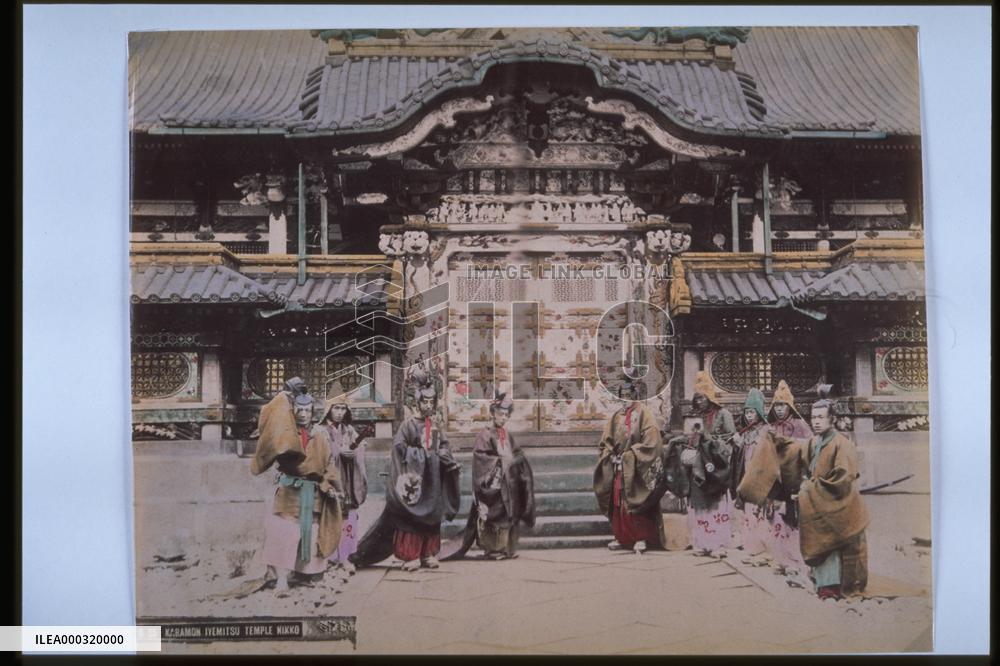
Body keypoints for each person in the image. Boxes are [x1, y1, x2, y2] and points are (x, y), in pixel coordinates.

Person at [736, 386, 869, 599]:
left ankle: (834, 585)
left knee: (833, 545)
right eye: (813, 417)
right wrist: (777, 441)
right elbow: (794, 451)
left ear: (832, 419)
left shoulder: (842, 445)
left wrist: (809, 489)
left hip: (837, 504)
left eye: (821, 417)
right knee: (818, 543)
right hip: (818, 501)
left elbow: (842, 478)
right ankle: (821, 582)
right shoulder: (814, 443)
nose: (816, 421)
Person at [350, 368, 462, 571]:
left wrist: (445, 458)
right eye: (424, 402)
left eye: (431, 402)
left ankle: (428, 554)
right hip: (414, 479)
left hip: (432, 479)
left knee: (431, 517)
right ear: (418, 403)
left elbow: (441, 446)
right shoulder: (407, 425)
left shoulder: (434, 425)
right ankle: (410, 556)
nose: (428, 406)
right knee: (411, 518)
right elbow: (400, 449)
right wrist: (422, 454)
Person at [251, 377, 343, 596]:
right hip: (290, 491)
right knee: (285, 532)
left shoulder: (320, 436)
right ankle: (282, 579)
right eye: (299, 410)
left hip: (314, 491)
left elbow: (329, 463)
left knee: (311, 532)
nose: (303, 415)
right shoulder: (285, 436)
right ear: (293, 412)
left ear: (314, 412)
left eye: (308, 410)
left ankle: (307, 573)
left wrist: (329, 484)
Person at [446, 391, 536, 560]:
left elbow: (516, 453)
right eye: (500, 414)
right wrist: (500, 463)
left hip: (508, 482)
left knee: (509, 514)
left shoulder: (507, 435)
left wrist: (517, 461)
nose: (503, 418)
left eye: (506, 415)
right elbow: (481, 457)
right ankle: (493, 549)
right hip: (494, 483)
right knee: (494, 514)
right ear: (493, 413)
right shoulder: (485, 434)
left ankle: (507, 548)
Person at [664, 371, 736, 558]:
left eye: (702, 398)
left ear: (710, 397)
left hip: (715, 466)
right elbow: (689, 437)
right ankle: (701, 543)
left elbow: (730, 440)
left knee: (716, 506)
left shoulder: (723, 414)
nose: (699, 402)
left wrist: (711, 444)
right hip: (698, 465)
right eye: (697, 398)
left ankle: (717, 544)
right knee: (699, 506)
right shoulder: (695, 417)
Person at [593, 379, 668, 554]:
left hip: (636, 467)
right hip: (618, 466)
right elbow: (605, 443)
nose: (624, 399)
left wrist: (629, 457)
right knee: (618, 501)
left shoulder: (645, 414)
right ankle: (622, 537)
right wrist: (610, 456)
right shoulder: (616, 416)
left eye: (628, 395)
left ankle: (641, 537)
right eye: (621, 396)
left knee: (635, 499)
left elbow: (652, 443)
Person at [764, 380, 811, 580]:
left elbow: (810, 447)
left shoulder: (800, 425)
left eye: (782, 405)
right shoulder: (771, 427)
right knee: (776, 520)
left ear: (789, 406)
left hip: (793, 479)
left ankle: (794, 561)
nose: (780, 409)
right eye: (776, 406)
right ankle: (780, 559)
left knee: (792, 521)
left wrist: (789, 443)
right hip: (776, 481)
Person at [320, 390, 368, 575]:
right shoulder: (321, 431)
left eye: (342, 408)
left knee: (349, 519)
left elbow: (360, 445)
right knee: (330, 517)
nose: (339, 412)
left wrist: (354, 452)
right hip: (330, 481)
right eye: (336, 408)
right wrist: (338, 451)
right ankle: (328, 557)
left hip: (347, 480)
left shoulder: (348, 430)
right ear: (328, 410)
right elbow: (320, 453)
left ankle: (345, 557)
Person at [730, 388, 771, 566]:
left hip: (760, 476)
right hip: (746, 475)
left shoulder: (767, 431)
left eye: (752, 412)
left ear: (759, 412)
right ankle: (750, 546)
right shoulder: (745, 433)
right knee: (748, 512)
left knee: (760, 512)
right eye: (747, 412)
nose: (749, 416)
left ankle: (762, 547)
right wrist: (737, 444)